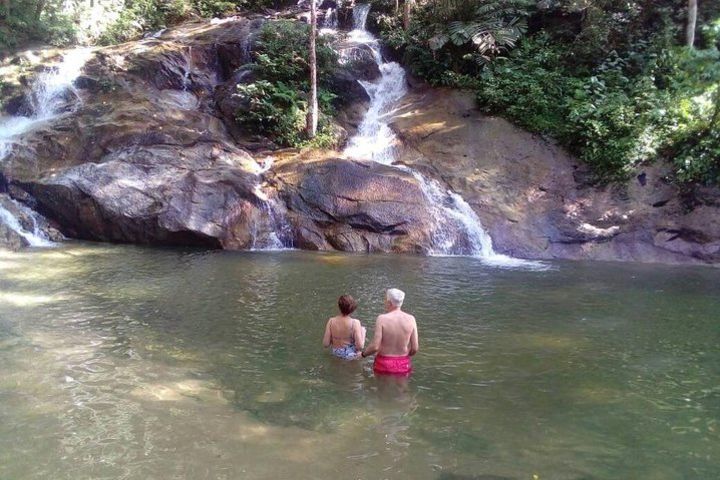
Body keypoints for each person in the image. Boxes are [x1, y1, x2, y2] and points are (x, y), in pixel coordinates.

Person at [361, 288, 419, 376]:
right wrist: (403, 356)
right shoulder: (411, 319)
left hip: (384, 363)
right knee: (402, 388)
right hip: (403, 363)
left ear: (389, 302)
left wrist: (363, 354)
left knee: (381, 388)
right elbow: (415, 348)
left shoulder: (382, 319)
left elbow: (375, 346)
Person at [323, 294, 366, 360]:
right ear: (352, 307)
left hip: (336, 354)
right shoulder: (355, 322)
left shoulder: (331, 321)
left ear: (339, 307)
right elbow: (360, 347)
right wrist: (363, 333)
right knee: (362, 330)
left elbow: (326, 344)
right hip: (350, 355)